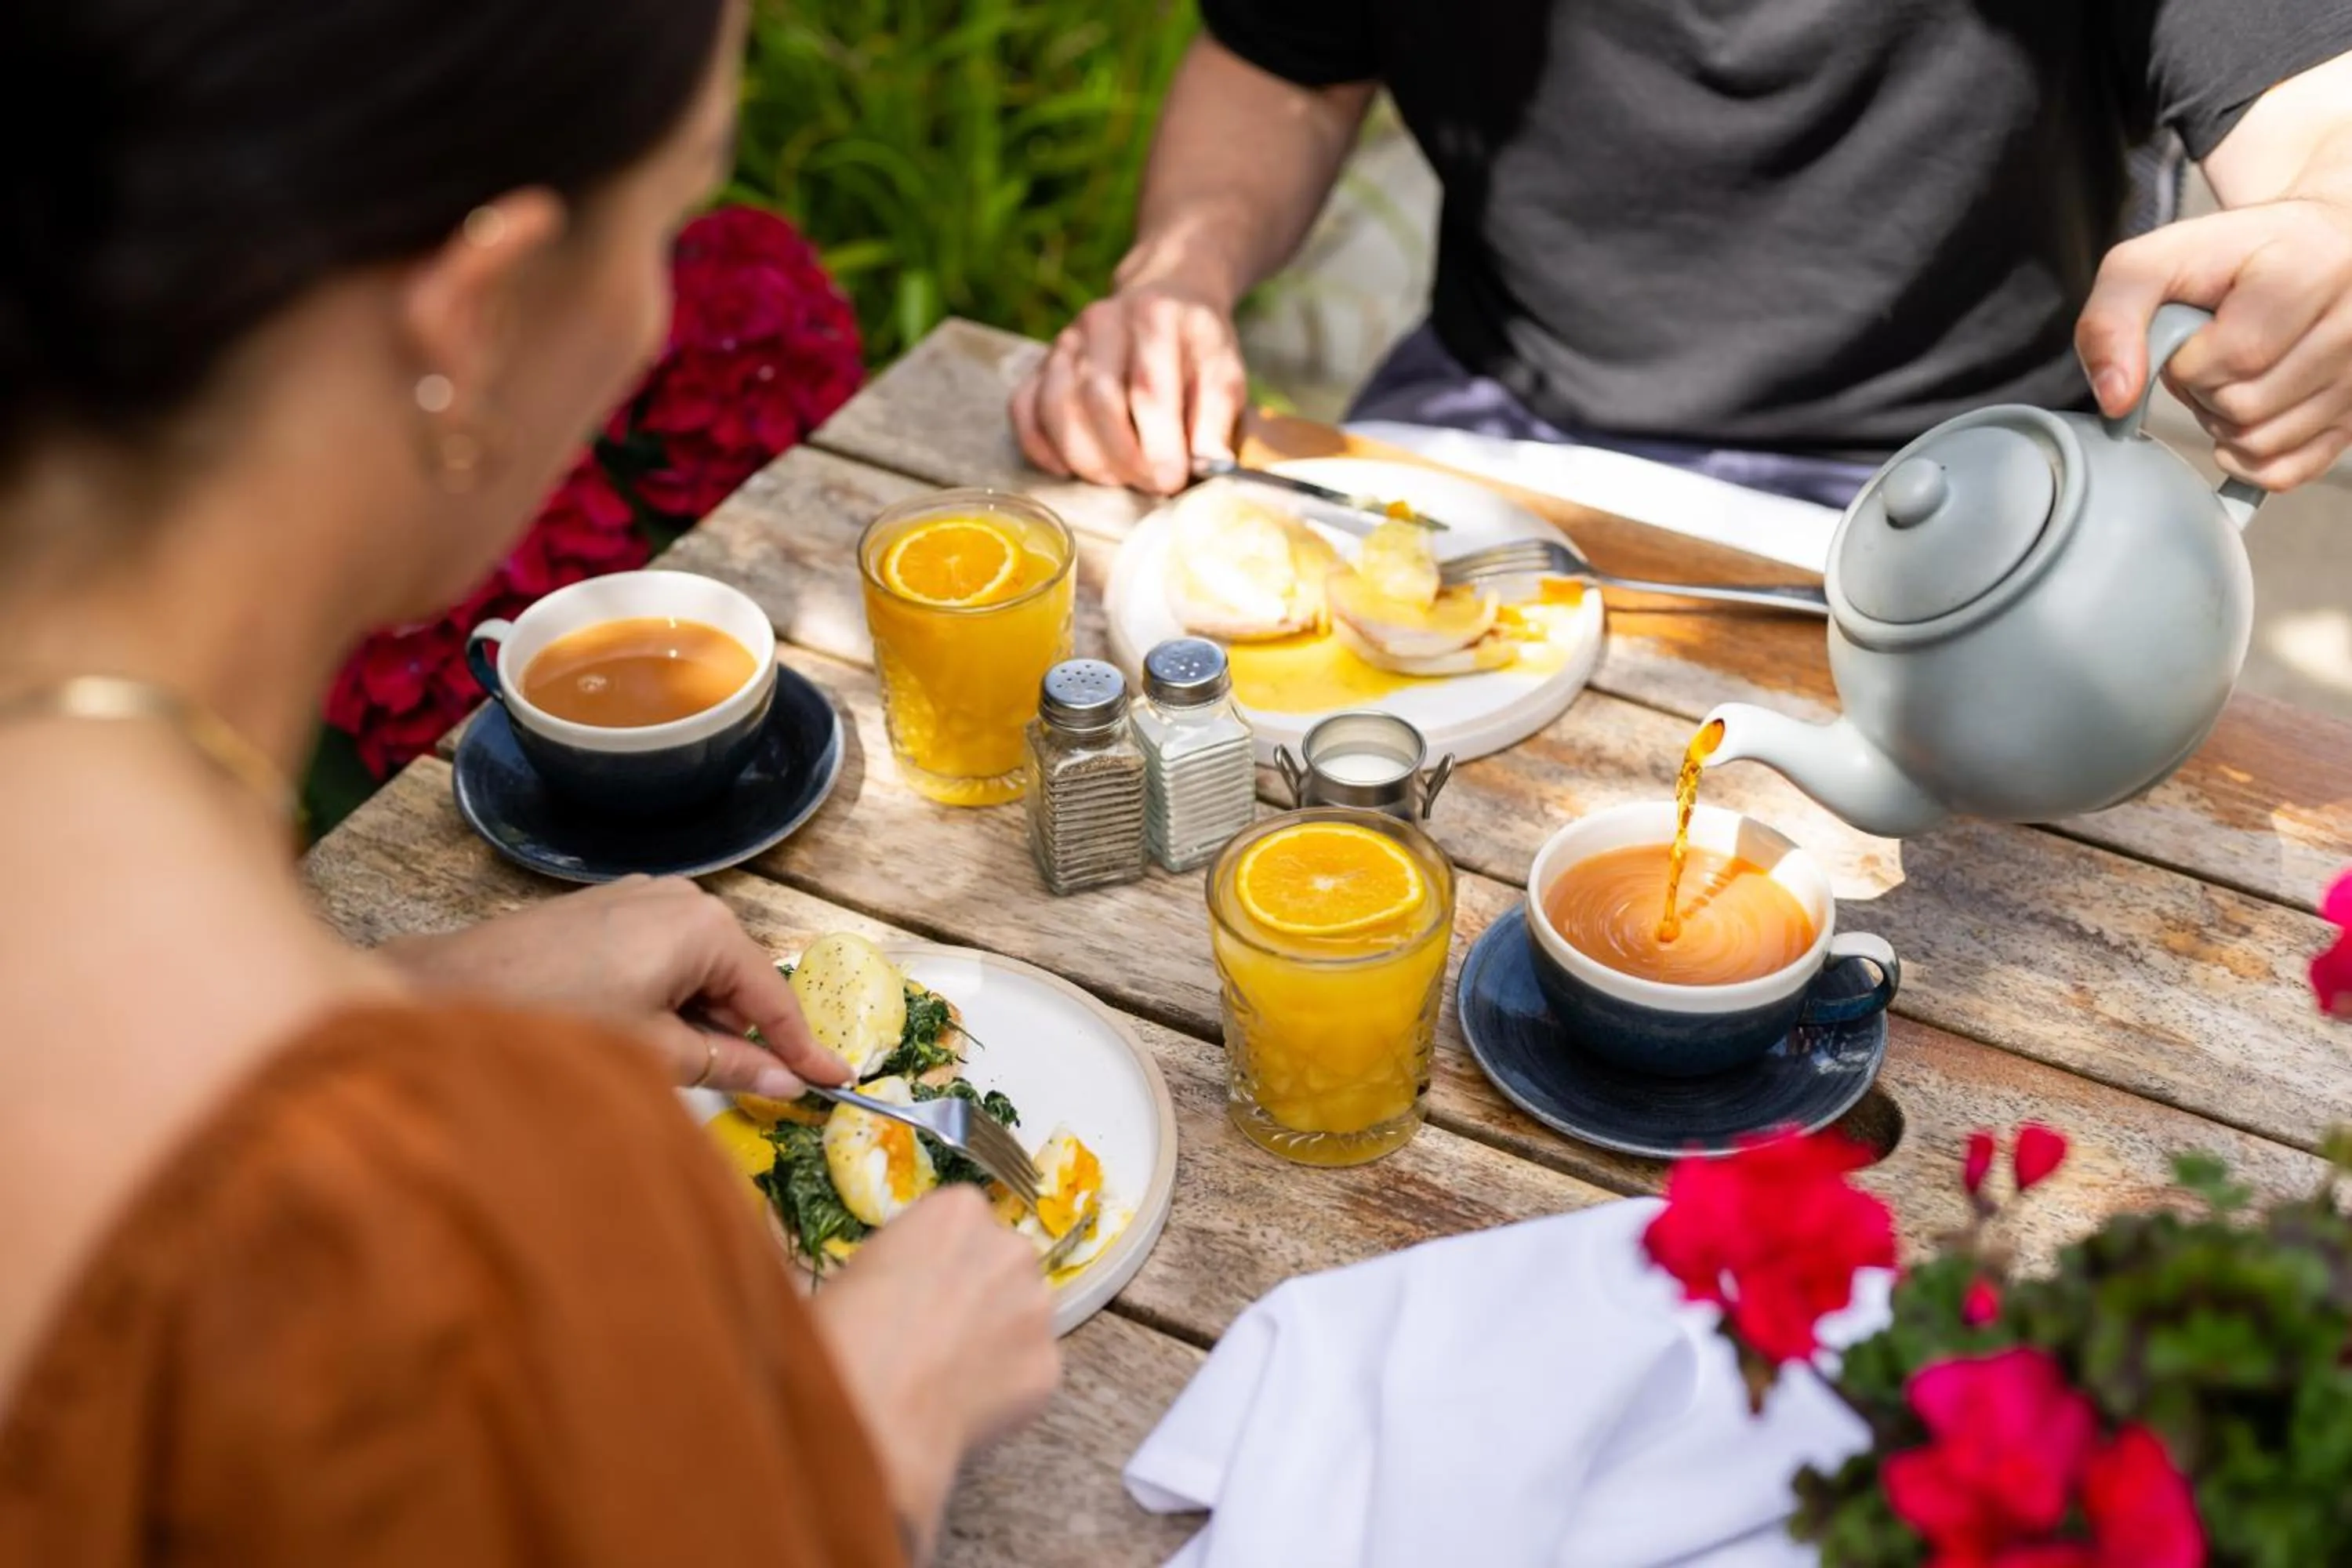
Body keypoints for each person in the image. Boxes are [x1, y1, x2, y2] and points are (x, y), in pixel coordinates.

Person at [0, 2, 1058, 1563]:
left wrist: (415, 1000)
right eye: (671, 223)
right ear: (473, 312)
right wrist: (855, 1455)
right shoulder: (478, 1225)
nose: (651, 321)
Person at [1014, 6, 2352, 508]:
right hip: (1498, 429)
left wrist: (2328, 236)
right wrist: (1176, 274)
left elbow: (2315, 110)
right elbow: (1286, 66)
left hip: (1973, 481)